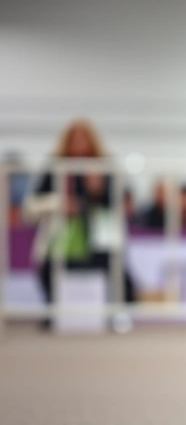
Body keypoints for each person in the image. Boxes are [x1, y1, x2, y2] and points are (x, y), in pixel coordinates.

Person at [22, 119, 135, 310]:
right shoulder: (55, 168)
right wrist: (59, 204)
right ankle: (57, 313)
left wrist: (98, 190)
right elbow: (31, 208)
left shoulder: (105, 168)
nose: (79, 145)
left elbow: (122, 204)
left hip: (98, 240)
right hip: (63, 238)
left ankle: (107, 313)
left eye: (84, 140)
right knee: (50, 272)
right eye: (75, 140)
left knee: (118, 276)